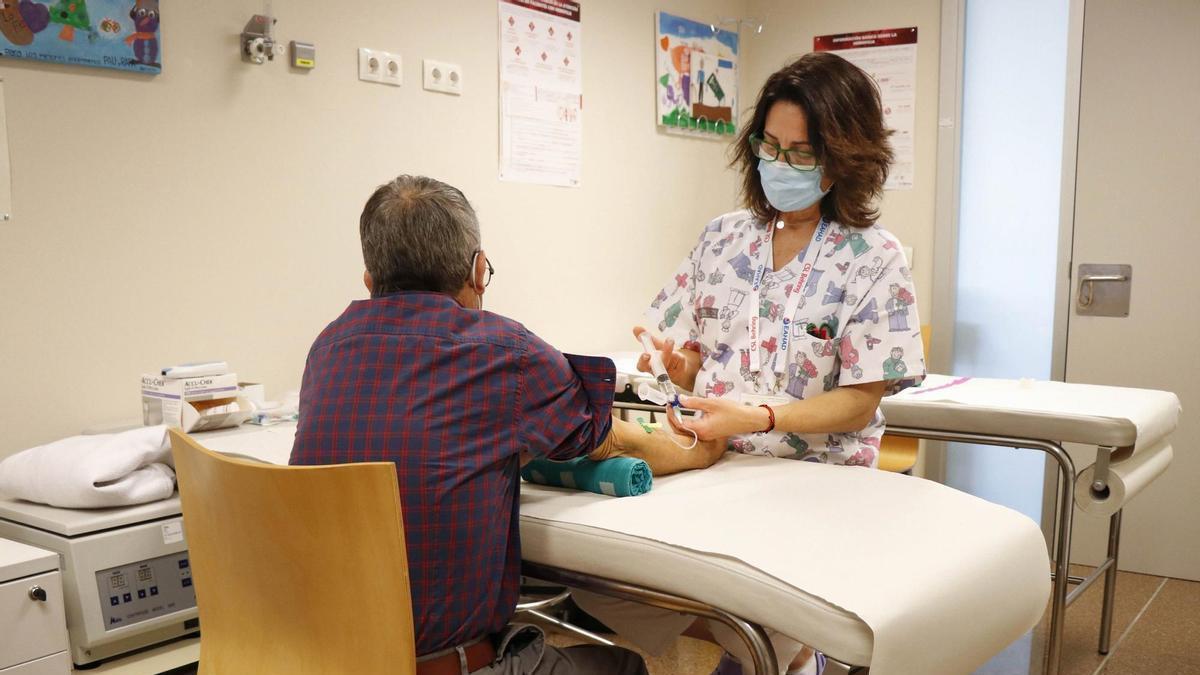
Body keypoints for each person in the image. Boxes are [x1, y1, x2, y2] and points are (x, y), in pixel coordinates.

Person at [290, 176, 723, 675]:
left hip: (323, 659)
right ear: (478, 271)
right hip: (448, 667)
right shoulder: (503, 352)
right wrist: (699, 449)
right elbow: (607, 439)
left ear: (369, 279)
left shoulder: (327, 347)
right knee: (623, 666)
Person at [592, 52, 927, 675]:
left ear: (845, 158)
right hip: (715, 462)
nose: (782, 164)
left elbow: (861, 400)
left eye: (803, 153)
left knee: (768, 630)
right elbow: (698, 359)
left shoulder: (874, 259)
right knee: (619, 585)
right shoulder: (723, 238)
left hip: (823, 478)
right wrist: (677, 364)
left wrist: (762, 417)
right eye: (770, 146)